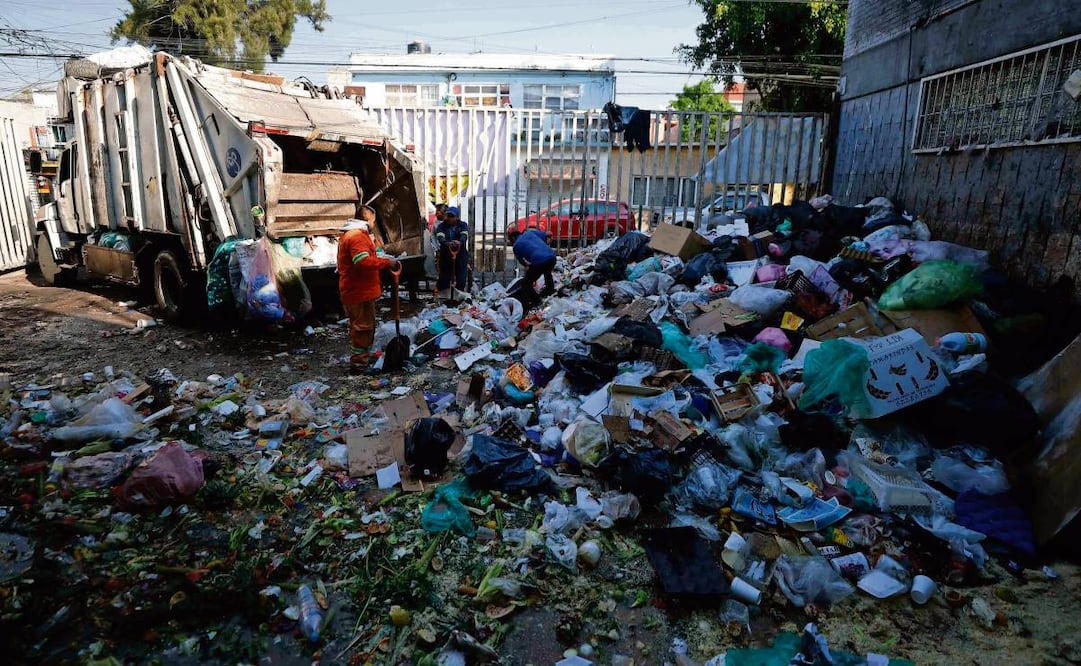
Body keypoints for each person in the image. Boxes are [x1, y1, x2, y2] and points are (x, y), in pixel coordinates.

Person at [338, 205, 399, 374]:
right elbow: (362, 262)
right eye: (373, 220)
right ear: (368, 219)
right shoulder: (357, 236)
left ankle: (363, 357)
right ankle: (358, 365)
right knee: (362, 328)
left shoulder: (356, 234)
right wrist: (387, 263)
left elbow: (364, 259)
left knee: (365, 327)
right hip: (358, 291)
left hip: (360, 290)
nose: (374, 223)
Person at [507, 227, 557, 303]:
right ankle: (550, 290)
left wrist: (529, 271)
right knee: (547, 273)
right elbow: (547, 234)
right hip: (552, 257)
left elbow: (523, 262)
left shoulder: (516, 246)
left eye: (510, 240)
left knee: (526, 284)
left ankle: (537, 301)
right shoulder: (530, 233)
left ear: (513, 238)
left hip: (539, 261)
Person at [434, 206, 469, 299]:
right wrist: (446, 243)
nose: (449, 218)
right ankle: (444, 298)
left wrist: (460, 242)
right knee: (444, 278)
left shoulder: (462, 225)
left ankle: (459, 298)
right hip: (446, 255)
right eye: (448, 215)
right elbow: (440, 236)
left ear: (457, 217)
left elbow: (464, 235)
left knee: (461, 277)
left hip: (460, 255)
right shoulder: (441, 226)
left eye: (452, 216)